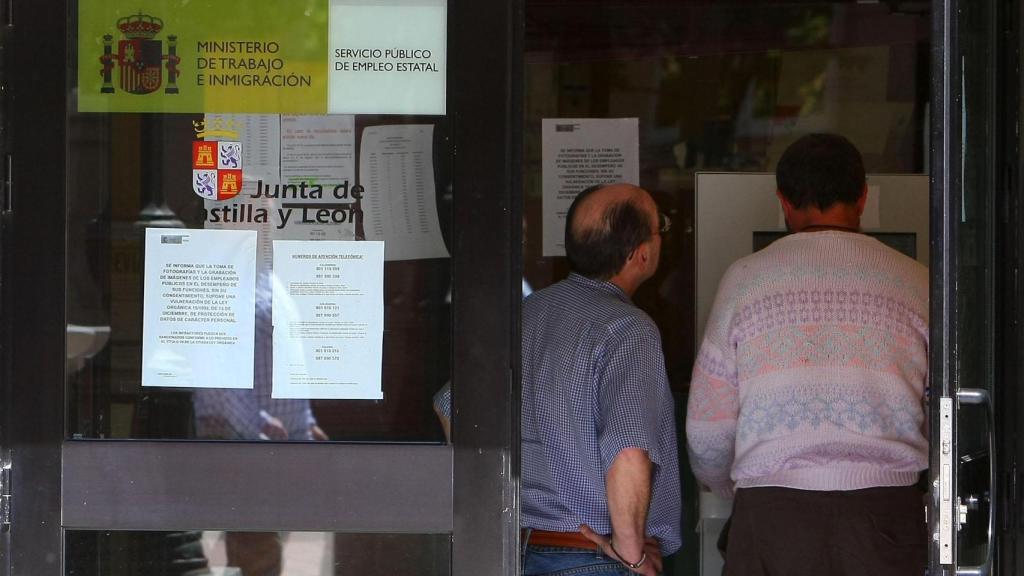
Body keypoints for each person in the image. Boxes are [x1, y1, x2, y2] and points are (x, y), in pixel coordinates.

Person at [686, 133, 929, 576]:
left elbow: (706, 429)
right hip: (886, 517)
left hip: (772, 518)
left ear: (783, 201)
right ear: (862, 197)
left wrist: (740, 487)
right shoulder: (916, 282)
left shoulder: (744, 281)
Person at [521, 183, 682, 576]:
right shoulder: (628, 329)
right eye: (661, 227)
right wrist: (633, 556)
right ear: (641, 253)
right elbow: (628, 450)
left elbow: (451, 408)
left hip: (517, 550)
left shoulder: (528, 312)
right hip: (592, 557)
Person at [192, 270, 328, 576]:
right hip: (249, 440)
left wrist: (305, 422)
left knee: (266, 546)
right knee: (257, 549)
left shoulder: (270, 277)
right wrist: (254, 428)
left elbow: (287, 357)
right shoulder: (227, 277)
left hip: (275, 440)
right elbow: (219, 368)